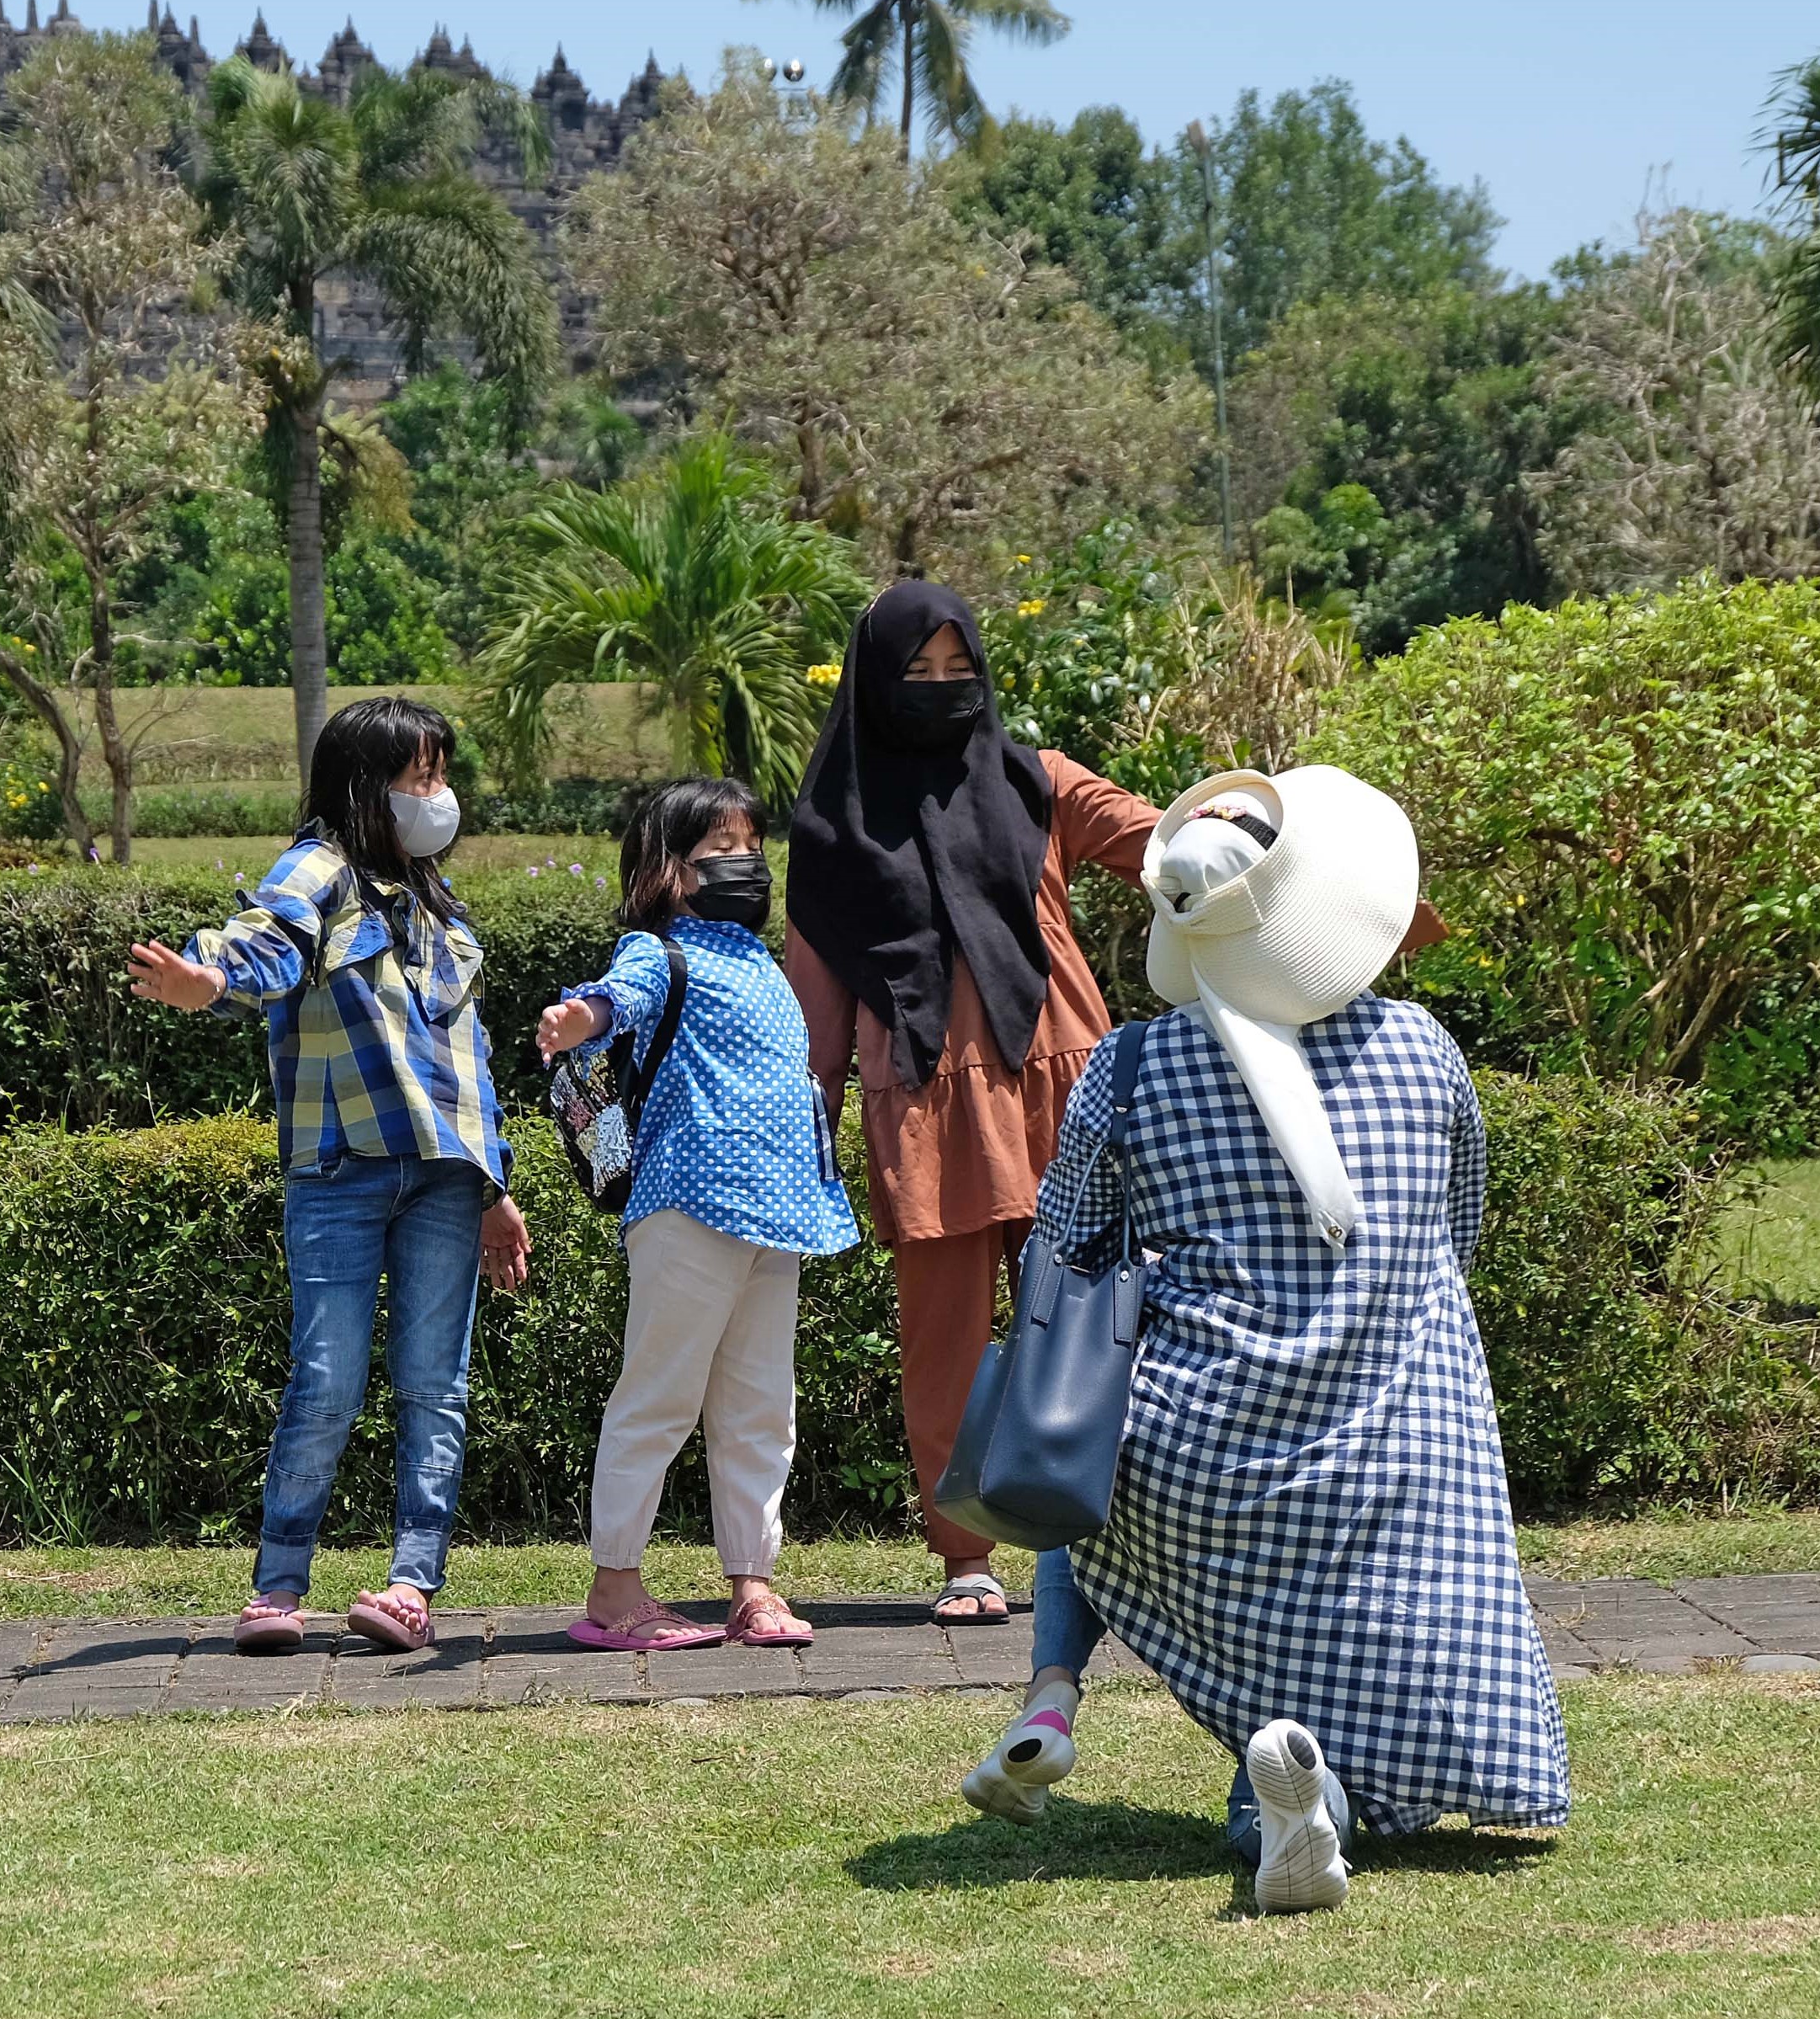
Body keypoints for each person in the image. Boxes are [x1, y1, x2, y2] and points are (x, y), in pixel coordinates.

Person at [958, 765, 1572, 1915]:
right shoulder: (1423, 1051)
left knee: (1091, 1465)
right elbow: (1457, 1231)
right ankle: (1295, 1794)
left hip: (1197, 1463)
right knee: (1364, 1652)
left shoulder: (1130, 1068)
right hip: (1393, 1455)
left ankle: (1064, 1699)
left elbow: (1067, 1249)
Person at [784, 580, 1157, 1625]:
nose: (944, 692)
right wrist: (800, 1123)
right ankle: (967, 1559)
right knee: (942, 1336)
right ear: (872, 683)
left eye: (962, 671)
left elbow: (1152, 840)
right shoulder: (833, 829)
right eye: (917, 674)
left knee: (1092, 1324)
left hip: (1063, 1086)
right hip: (921, 1097)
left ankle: (1118, 1542)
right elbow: (812, 1008)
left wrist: (1230, 825)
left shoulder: (1038, 781)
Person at [127, 696, 531, 1657]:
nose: (438, 796)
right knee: (325, 1380)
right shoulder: (320, 868)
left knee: (436, 1385)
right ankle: (277, 1587)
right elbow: (264, 940)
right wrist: (208, 982)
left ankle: (409, 1586)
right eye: (420, 777)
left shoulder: (438, 905)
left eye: (440, 775)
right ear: (365, 784)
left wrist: (494, 1187)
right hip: (340, 1170)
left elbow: (466, 1065)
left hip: (443, 1179)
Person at [537, 778, 861, 1653]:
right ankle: (614, 1588)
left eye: (749, 845)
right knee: (659, 1395)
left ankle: (752, 1585)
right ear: (666, 870)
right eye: (719, 849)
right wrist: (581, 1018)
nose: (743, 863)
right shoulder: (658, 951)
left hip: (772, 1213)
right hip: (686, 1206)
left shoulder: (761, 964)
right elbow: (619, 998)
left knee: (760, 1406)